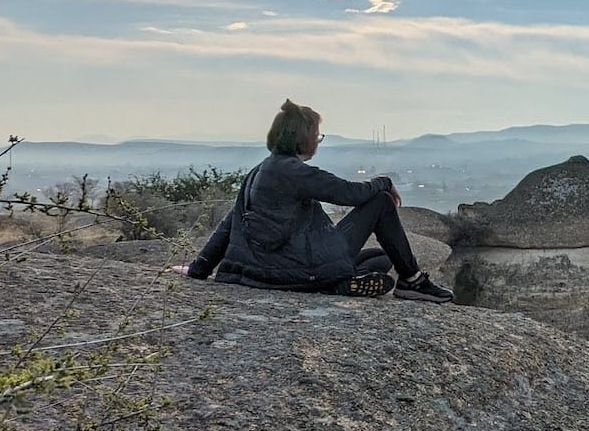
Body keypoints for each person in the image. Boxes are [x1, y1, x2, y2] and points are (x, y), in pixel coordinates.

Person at [168, 99, 453, 303]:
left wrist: (198, 269)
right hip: (297, 269)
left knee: (379, 257)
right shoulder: (295, 172)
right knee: (380, 202)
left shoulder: (260, 170)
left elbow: (229, 223)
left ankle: (342, 281)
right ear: (304, 138)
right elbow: (351, 194)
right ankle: (411, 281)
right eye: (317, 135)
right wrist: (385, 182)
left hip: (263, 271)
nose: (318, 141)